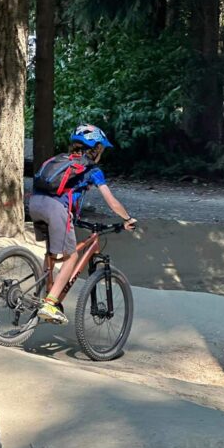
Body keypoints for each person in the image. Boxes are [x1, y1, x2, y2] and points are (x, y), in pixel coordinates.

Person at [28, 124, 137, 325]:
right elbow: (112, 202)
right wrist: (127, 219)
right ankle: (50, 303)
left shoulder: (58, 159)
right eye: (101, 149)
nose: (101, 154)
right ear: (95, 148)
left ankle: (43, 293)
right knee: (72, 257)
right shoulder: (92, 170)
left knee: (52, 253)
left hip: (34, 204)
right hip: (55, 209)